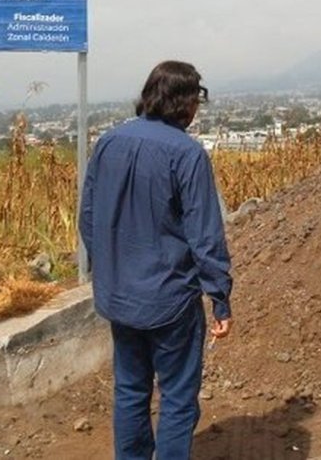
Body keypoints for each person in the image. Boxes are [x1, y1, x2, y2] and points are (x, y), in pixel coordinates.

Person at [79, 60, 233, 460]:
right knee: (178, 398)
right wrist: (219, 296)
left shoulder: (110, 143)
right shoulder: (188, 154)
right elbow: (205, 235)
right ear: (186, 102)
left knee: (130, 390)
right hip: (170, 301)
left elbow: (89, 218)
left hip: (120, 298)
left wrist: (108, 271)